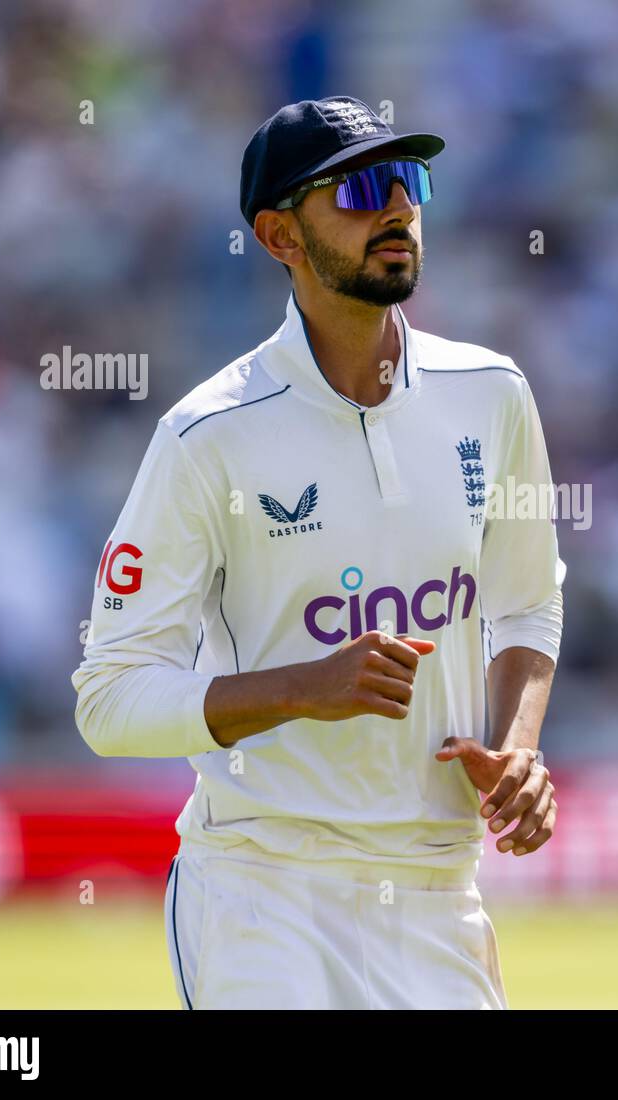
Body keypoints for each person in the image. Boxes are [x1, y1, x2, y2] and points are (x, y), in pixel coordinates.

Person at [71, 96, 564, 1009]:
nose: (395, 210)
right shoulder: (206, 437)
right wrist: (302, 687)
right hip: (265, 886)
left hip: (436, 889)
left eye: (407, 184)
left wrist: (517, 750)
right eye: (358, 191)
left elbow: (526, 604)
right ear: (278, 237)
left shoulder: (492, 395)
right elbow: (108, 701)